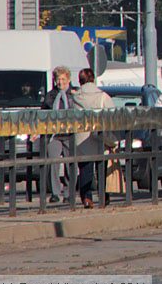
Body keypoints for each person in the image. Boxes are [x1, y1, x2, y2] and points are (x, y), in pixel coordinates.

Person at [72, 68, 116, 208]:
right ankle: (104, 197)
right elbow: (113, 114)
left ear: (80, 81)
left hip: (82, 137)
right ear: (93, 80)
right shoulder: (102, 96)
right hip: (99, 135)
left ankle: (87, 198)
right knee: (101, 167)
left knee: (85, 169)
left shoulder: (75, 97)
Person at [40, 66, 75, 203]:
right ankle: (55, 192)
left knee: (69, 164)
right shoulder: (51, 95)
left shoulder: (74, 93)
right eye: (58, 79)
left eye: (63, 79)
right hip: (55, 134)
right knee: (53, 162)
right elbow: (43, 113)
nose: (60, 82)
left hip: (70, 133)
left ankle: (68, 193)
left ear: (68, 79)